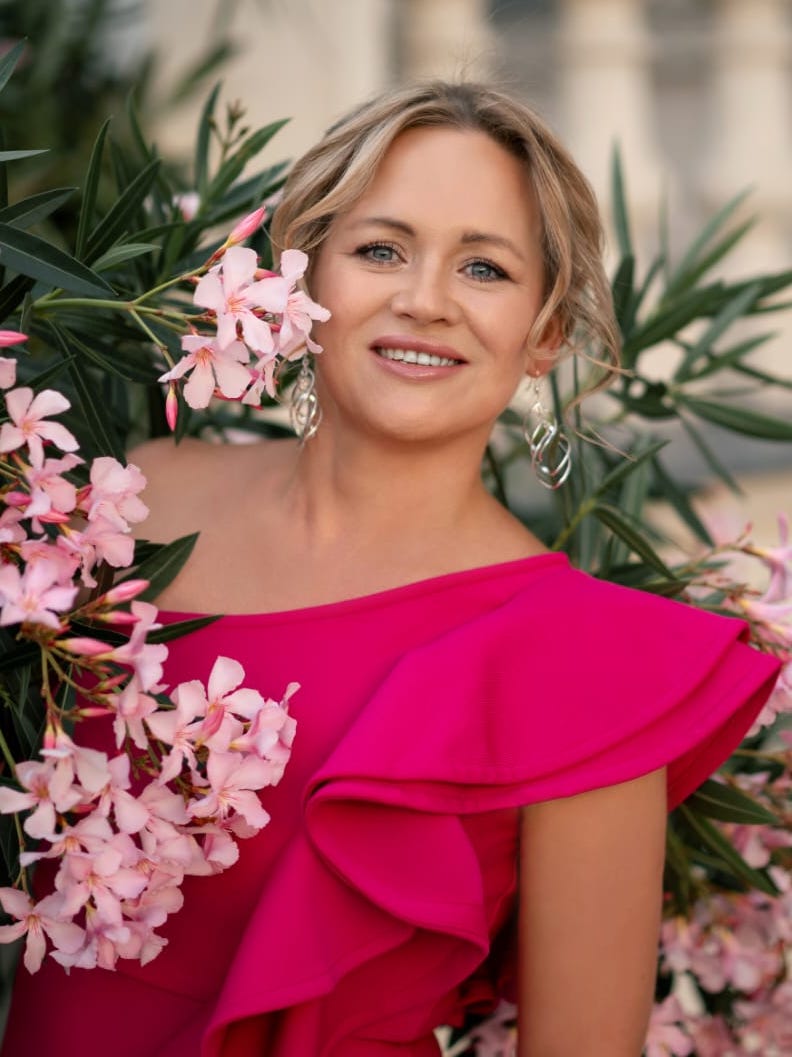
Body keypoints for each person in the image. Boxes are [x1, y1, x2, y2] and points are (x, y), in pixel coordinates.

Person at [1, 80, 780, 1057]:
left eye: (485, 267)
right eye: (381, 250)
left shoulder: (588, 667)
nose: (425, 299)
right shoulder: (132, 502)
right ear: (302, 275)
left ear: (545, 333)